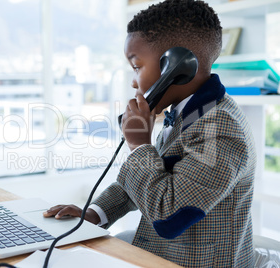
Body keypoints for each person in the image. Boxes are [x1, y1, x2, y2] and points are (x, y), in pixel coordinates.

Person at [43, 0, 256, 267]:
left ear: (178, 67)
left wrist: (139, 144)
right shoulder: (184, 112)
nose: (133, 80)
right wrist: (95, 213)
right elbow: (149, 177)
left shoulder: (222, 129)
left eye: (137, 66)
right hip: (161, 256)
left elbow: (169, 215)